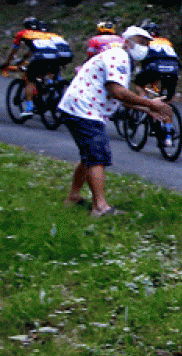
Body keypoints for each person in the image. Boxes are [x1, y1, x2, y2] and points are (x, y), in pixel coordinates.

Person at [55, 26, 172, 217]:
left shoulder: (122, 58)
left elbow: (120, 97)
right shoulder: (118, 57)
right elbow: (117, 92)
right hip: (84, 109)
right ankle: (100, 207)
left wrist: (147, 109)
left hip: (81, 108)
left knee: (89, 155)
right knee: (97, 156)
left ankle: (73, 197)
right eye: (141, 42)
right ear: (127, 41)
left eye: (146, 44)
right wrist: (150, 103)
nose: (144, 47)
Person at [3, 16, 73, 115]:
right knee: (47, 72)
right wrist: (23, 59)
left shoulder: (23, 33)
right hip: (62, 56)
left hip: (43, 58)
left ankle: (29, 108)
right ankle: (51, 88)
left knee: (29, 79)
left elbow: (14, 50)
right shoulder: (45, 35)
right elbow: (31, 52)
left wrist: (7, 63)